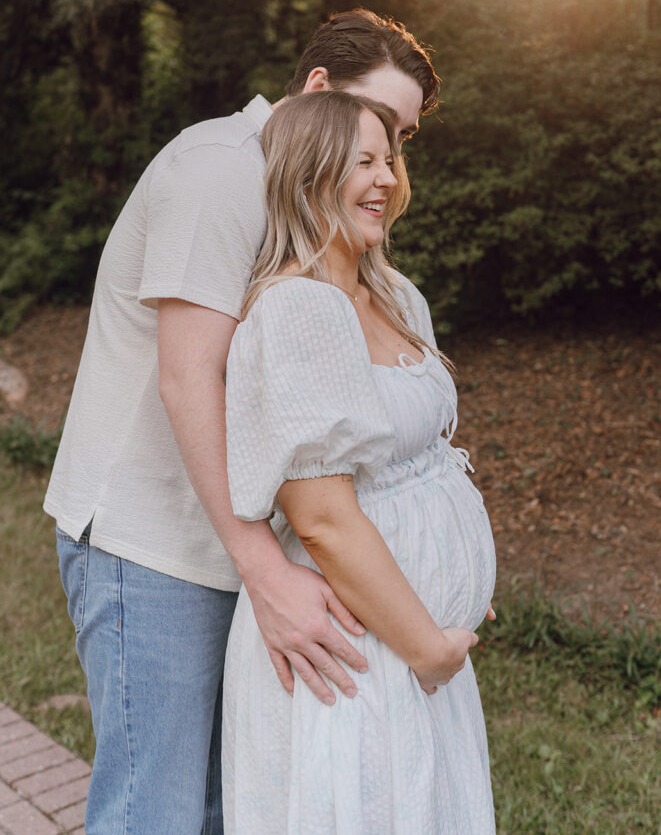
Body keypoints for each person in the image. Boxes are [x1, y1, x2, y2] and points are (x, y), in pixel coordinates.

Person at [43, 10, 442, 834]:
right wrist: (267, 570)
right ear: (320, 88)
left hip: (241, 542)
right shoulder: (220, 169)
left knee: (235, 805)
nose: (390, 158)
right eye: (378, 123)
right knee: (154, 810)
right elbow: (190, 376)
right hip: (153, 544)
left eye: (400, 138)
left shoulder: (311, 205)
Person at [222, 90, 497, 833]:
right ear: (309, 178)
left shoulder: (395, 294)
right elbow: (323, 520)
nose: (387, 179)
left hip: (417, 634)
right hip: (364, 646)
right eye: (364, 162)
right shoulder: (295, 311)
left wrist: (458, 581)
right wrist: (430, 647)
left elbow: (425, 462)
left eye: (391, 159)